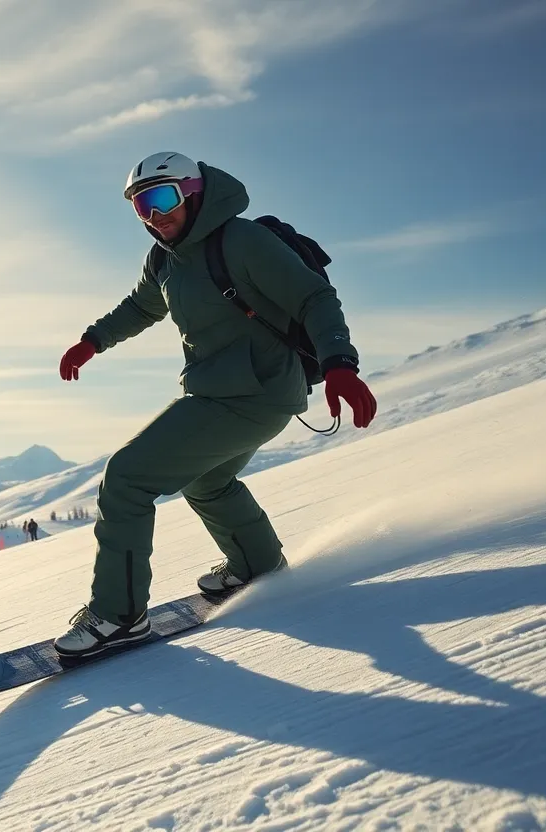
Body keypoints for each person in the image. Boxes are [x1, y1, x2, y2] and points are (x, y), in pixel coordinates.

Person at [53, 152, 377, 658]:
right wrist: (93, 340)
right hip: (218, 391)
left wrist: (339, 363)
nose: (153, 215)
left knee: (126, 478)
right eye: (141, 205)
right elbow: (141, 306)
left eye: (163, 199)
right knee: (207, 481)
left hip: (256, 391)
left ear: (195, 193)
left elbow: (313, 298)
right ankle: (258, 565)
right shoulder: (164, 258)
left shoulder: (242, 240)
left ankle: (119, 616)